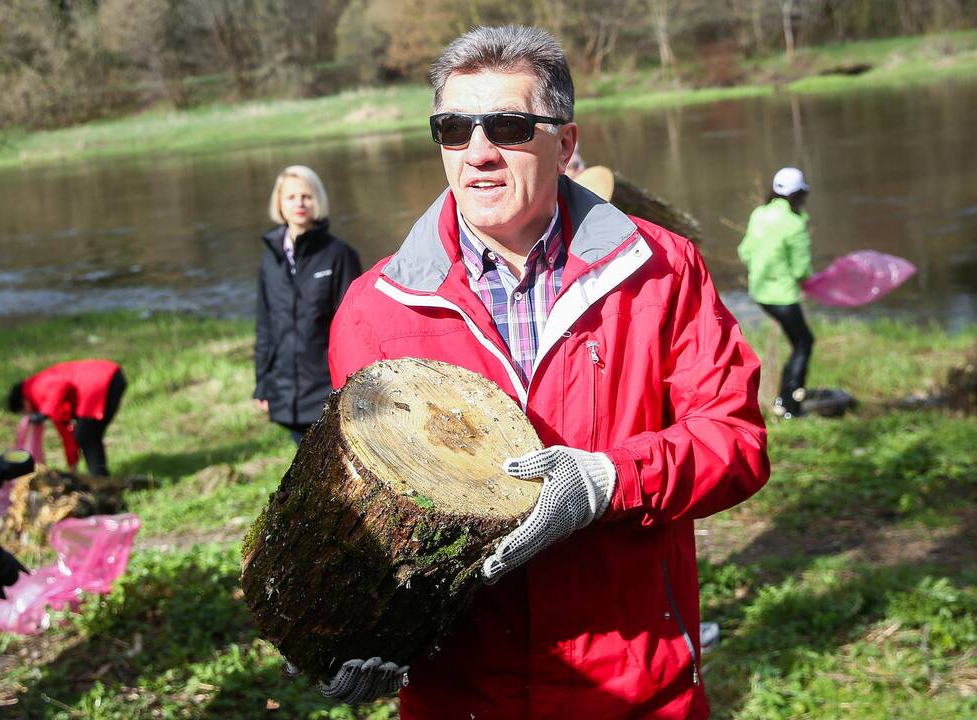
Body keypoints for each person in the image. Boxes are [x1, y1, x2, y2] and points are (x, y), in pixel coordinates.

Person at [324, 26, 769, 719]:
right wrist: (356, 618)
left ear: (564, 144)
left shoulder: (662, 269)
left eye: (507, 126)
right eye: (453, 128)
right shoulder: (372, 310)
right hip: (463, 697)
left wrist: (608, 481)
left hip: (635, 684)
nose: (477, 153)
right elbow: (364, 505)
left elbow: (734, 440)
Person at [253, 165, 362, 445]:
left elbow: (352, 329)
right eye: (291, 197)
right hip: (285, 391)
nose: (299, 203)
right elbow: (265, 324)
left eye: (306, 196)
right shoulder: (270, 259)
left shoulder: (340, 255)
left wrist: (348, 385)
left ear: (318, 200)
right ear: (279, 203)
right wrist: (263, 384)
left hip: (327, 389)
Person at [738, 167, 815, 419]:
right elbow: (801, 269)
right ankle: (790, 403)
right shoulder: (794, 223)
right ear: (799, 194)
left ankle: (786, 399)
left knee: (798, 341)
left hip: (760, 293)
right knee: (804, 343)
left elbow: (745, 252)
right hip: (783, 296)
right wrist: (808, 281)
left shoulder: (759, 214)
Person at [7, 359, 126, 476]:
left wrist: (45, 412)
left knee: (86, 435)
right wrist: (72, 466)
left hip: (103, 379)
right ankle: (99, 477)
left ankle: (99, 479)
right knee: (86, 434)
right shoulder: (48, 400)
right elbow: (65, 431)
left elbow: (61, 386)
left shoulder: (34, 388)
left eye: (24, 412)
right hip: (108, 378)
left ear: (24, 403)